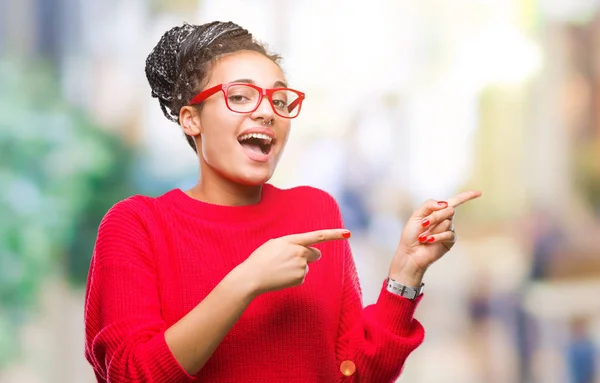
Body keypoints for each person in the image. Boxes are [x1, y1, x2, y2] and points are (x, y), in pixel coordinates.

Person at [83, 21, 482, 383]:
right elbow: (131, 374)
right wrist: (246, 280)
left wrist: (405, 274)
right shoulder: (136, 225)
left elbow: (355, 374)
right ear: (192, 119)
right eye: (240, 97)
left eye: (279, 101)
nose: (266, 112)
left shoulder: (315, 212)